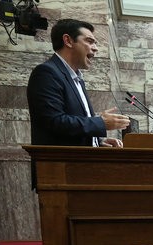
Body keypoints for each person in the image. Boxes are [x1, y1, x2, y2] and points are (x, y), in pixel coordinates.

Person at [27, 19, 130, 187]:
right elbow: (54, 121)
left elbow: (70, 128)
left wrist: (97, 143)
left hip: (80, 171)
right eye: (89, 41)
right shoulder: (47, 73)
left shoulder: (77, 79)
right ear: (68, 41)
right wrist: (101, 123)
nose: (95, 48)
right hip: (60, 174)